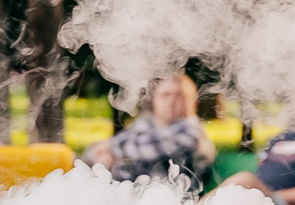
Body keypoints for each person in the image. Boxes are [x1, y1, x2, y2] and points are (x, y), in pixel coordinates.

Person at [85, 73, 216, 189]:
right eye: (165, 95)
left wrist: (109, 150)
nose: (171, 101)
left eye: (180, 96)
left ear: (194, 103)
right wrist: (103, 153)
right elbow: (94, 151)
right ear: (155, 99)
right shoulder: (146, 123)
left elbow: (141, 150)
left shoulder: (191, 133)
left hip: (165, 204)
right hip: (124, 194)